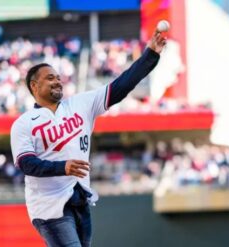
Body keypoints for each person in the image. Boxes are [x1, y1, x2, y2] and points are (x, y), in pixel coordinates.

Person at [10, 30, 166, 247]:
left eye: (58, 77)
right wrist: (62, 167)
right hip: (49, 207)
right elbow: (27, 164)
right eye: (49, 78)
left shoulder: (80, 104)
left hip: (79, 198)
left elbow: (121, 86)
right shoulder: (24, 123)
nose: (57, 81)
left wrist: (151, 54)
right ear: (34, 86)